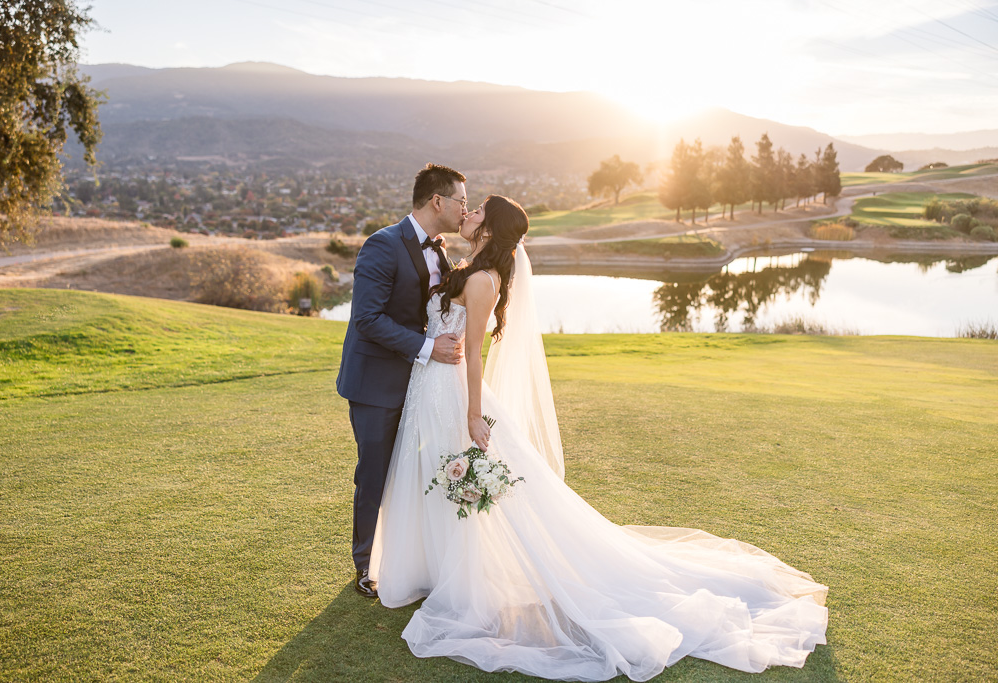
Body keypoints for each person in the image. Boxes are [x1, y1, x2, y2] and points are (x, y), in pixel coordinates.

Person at [369, 195, 829, 681]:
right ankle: (437, 570)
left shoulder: (483, 280)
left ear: (492, 227)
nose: (469, 214)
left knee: (470, 486)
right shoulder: (467, 268)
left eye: (478, 209)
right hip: (432, 389)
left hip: (456, 392)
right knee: (439, 480)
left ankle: (464, 583)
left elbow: (476, 354)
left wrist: (474, 415)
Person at [336, 163, 468, 598]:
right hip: (376, 382)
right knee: (374, 474)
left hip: (421, 386)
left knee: (413, 474)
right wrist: (430, 349)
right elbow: (368, 319)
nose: (465, 209)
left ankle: (410, 560)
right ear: (437, 201)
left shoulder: (441, 250)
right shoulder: (383, 244)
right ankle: (365, 567)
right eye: (461, 201)